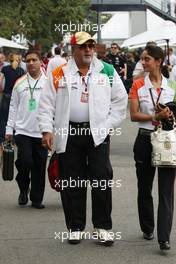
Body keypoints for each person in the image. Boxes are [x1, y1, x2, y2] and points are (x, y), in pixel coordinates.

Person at [38, 31, 128, 245]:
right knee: (72, 180)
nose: (88, 49)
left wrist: (107, 125)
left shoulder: (106, 70)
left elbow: (120, 101)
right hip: (68, 133)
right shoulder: (59, 72)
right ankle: (75, 226)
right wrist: (46, 130)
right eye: (83, 46)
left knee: (101, 179)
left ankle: (103, 227)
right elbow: (45, 104)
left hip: (97, 133)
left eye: (91, 45)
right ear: (74, 50)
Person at [129, 46, 176, 251]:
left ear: (158, 61)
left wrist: (169, 115)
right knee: (145, 187)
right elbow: (133, 115)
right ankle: (148, 227)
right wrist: (154, 117)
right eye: (142, 59)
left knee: (166, 190)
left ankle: (163, 237)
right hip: (145, 140)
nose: (143, 62)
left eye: (147, 59)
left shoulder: (172, 85)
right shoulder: (138, 84)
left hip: (167, 141)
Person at [5, 49, 48, 209]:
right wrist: (9, 129)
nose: (31, 63)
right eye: (28, 60)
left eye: (34, 60)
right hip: (22, 131)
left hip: (42, 131)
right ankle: (23, 188)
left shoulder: (49, 82)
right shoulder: (20, 83)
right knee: (25, 162)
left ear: (40, 62)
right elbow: (13, 107)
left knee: (39, 165)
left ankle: (37, 199)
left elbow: (56, 107)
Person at [0, 53, 24, 151]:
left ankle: (2, 140)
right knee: (15, 118)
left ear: (9, 60)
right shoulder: (21, 70)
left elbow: (0, 81)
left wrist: (2, 89)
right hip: (16, 97)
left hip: (6, 95)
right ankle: (13, 140)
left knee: (3, 118)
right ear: (18, 60)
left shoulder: (5, 69)